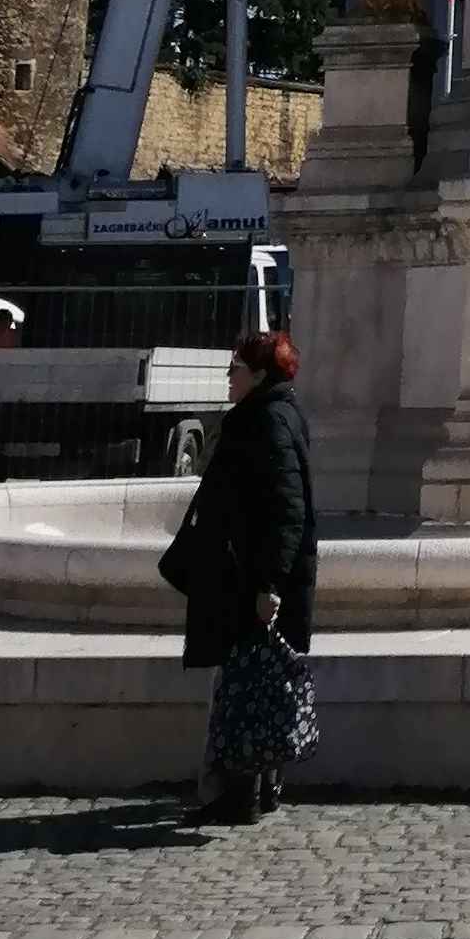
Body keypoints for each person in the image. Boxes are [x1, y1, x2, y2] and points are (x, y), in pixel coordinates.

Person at [162, 328, 320, 825]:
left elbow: (287, 510)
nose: (228, 377)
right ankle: (253, 788)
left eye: (235, 369)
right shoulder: (268, 415)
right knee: (252, 681)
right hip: (243, 572)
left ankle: (238, 794)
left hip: (248, 577)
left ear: (258, 375)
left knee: (245, 687)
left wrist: (270, 584)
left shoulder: (268, 421)